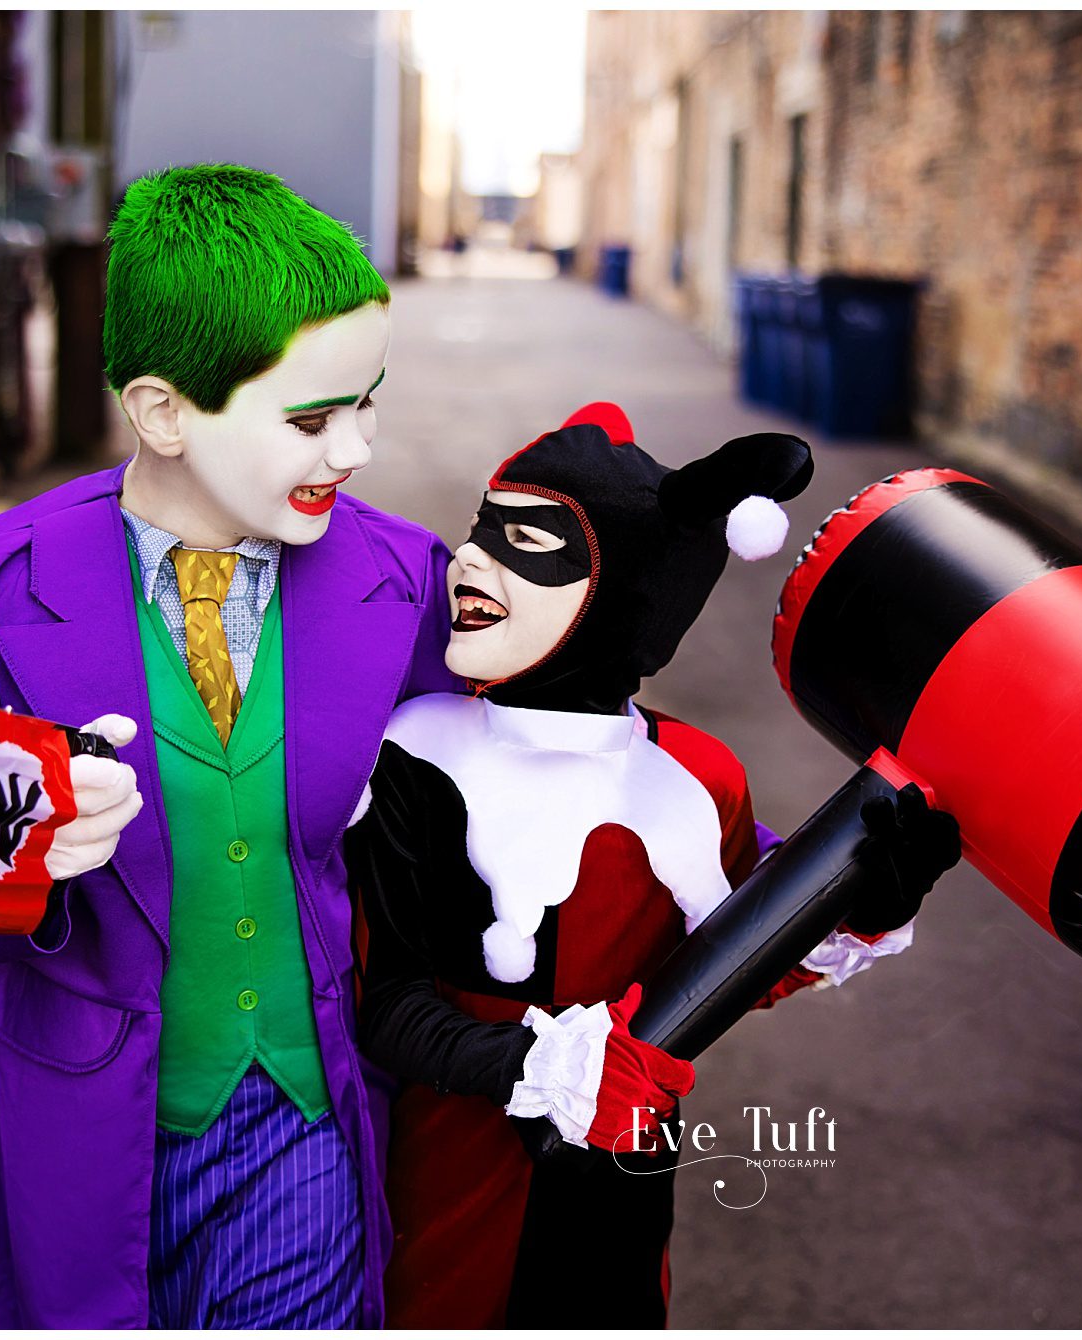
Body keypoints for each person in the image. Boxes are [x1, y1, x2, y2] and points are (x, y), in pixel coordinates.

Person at [0, 164, 461, 1328]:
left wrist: (774, 877)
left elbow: (530, 784)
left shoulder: (404, 581)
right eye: (309, 418)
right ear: (162, 411)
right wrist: (30, 845)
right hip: (81, 1120)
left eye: (366, 401)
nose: (355, 449)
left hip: (307, 1113)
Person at [343, 404, 960, 1327]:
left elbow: (726, 969)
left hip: (626, 1184)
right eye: (480, 529)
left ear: (627, 589)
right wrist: (533, 1066)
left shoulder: (696, 777)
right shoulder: (416, 754)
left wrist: (858, 905)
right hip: (451, 1188)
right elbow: (384, 1002)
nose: (468, 559)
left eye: (524, 541)